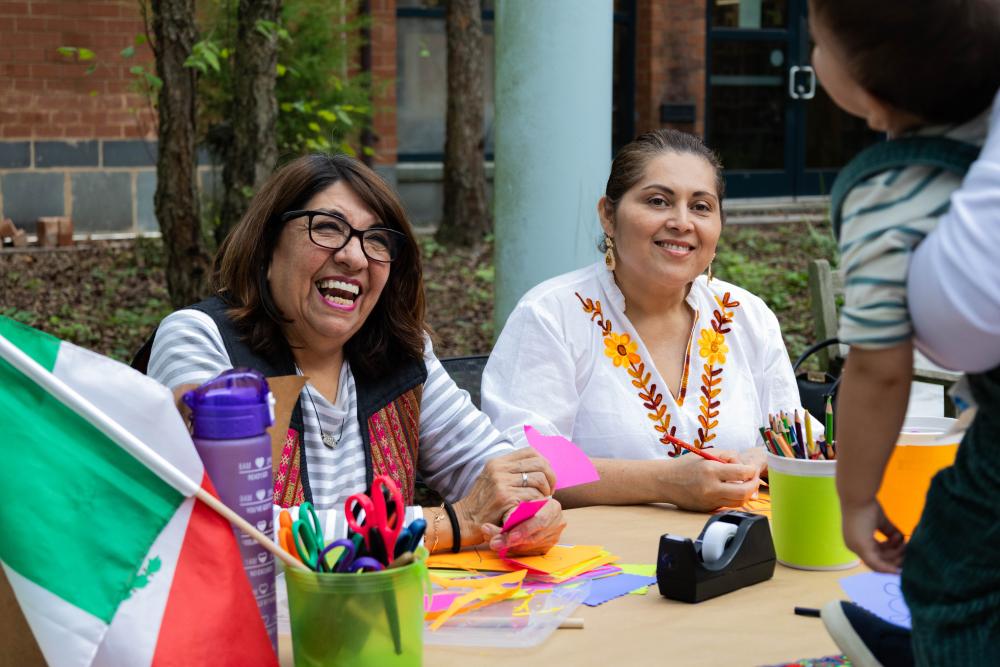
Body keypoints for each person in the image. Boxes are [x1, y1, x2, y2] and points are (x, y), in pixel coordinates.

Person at [147, 153, 565, 556]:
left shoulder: (401, 353)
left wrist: (525, 507)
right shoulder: (201, 339)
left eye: (377, 240)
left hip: (384, 618)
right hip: (257, 623)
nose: (354, 256)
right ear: (267, 248)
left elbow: (487, 465)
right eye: (327, 228)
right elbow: (229, 525)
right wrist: (448, 524)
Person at [805, 1, 1000, 664]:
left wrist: (857, 498)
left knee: (949, 567)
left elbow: (877, 368)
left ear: (870, 97)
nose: (811, 57)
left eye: (817, 44)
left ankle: (942, 649)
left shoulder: (883, 197)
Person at [482, 129, 814, 512]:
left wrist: (765, 459)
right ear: (608, 214)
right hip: (601, 561)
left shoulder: (746, 315)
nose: (682, 222)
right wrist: (666, 482)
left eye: (702, 207)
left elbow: (797, 438)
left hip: (738, 551)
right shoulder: (551, 315)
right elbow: (525, 466)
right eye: (658, 201)